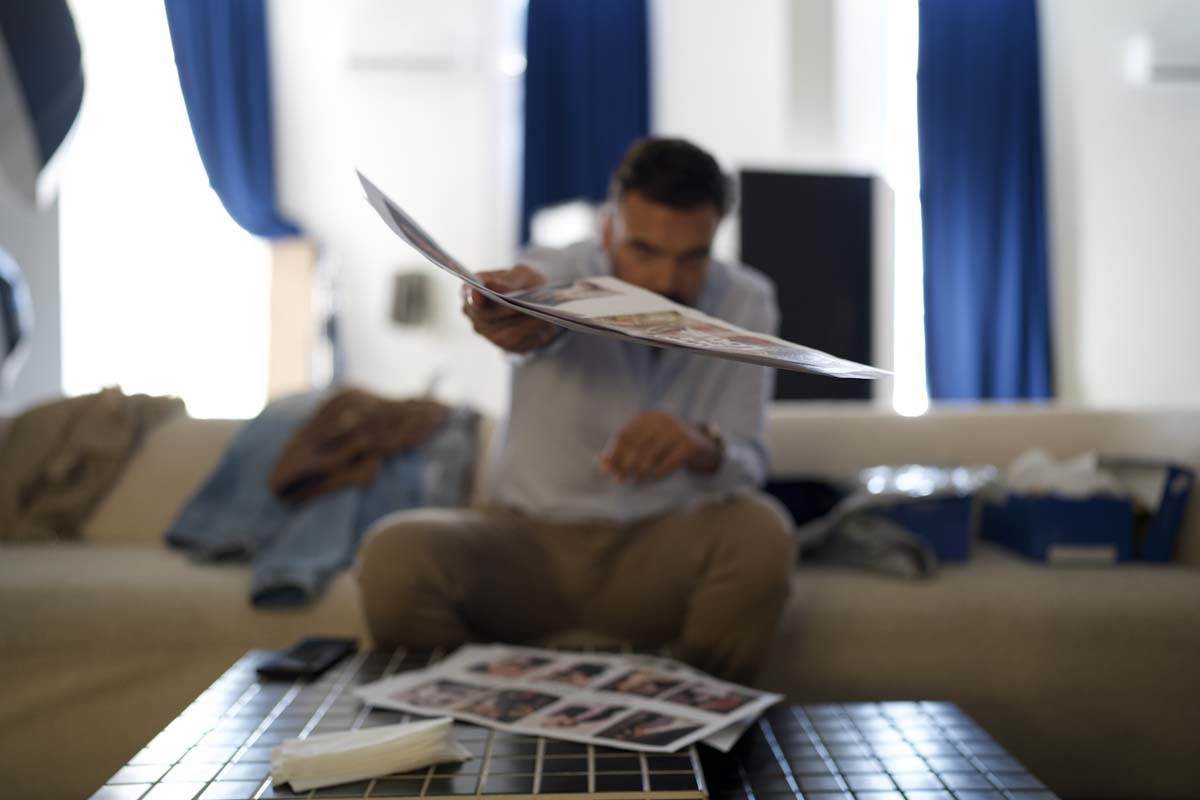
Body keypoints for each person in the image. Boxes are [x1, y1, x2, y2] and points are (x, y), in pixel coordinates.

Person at [356, 137, 794, 683]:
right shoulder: (554, 269)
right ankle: (465, 725)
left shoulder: (748, 300)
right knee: (395, 555)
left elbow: (749, 457)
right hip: (527, 549)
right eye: (644, 251)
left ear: (715, 236)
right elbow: (532, 307)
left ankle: (694, 735)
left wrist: (701, 445)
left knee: (762, 534)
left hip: (662, 550)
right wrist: (518, 318)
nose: (665, 281)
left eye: (692, 258)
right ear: (608, 226)